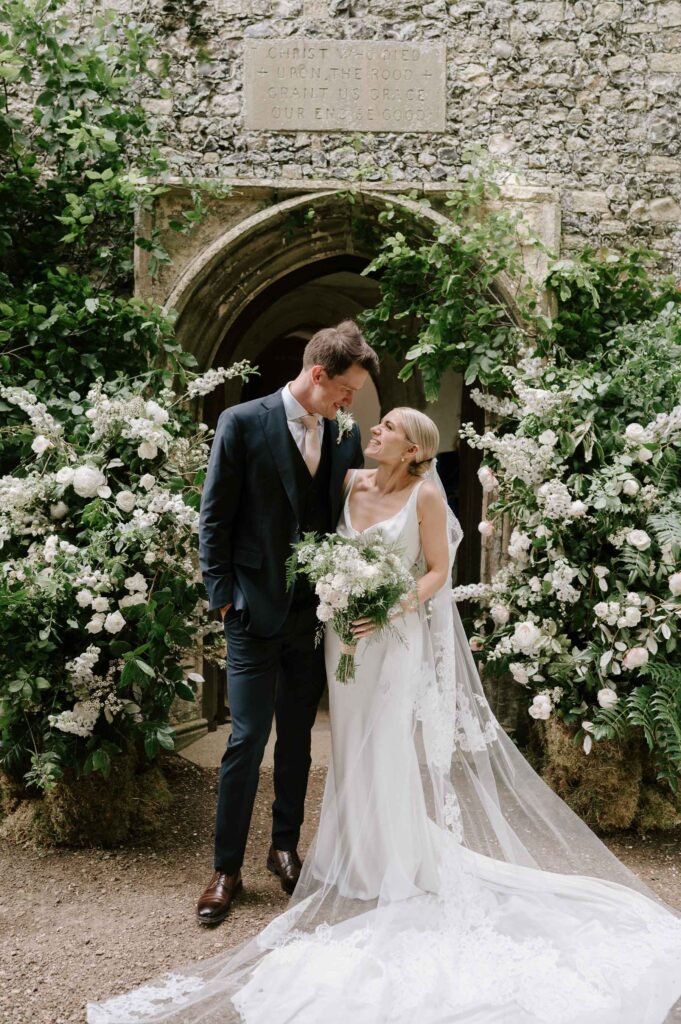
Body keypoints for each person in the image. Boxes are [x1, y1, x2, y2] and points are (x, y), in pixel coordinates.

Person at [88, 407, 681, 1024]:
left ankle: (392, 862)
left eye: (388, 425)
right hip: (344, 639)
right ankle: (351, 853)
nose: (373, 429)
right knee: (348, 745)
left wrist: (391, 605)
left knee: (387, 744)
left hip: (392, 641)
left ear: (412, 449)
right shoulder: (349, 483)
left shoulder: (425, 496)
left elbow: (438, 573)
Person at [194, 320, 378, 925]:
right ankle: (226, 868)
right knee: (246, 738)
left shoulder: (344, 434)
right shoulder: (242, 423)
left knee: (300, 737)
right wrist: (225, 599)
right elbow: (214, 519)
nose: (351, 403)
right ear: (319, 374)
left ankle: (284, 848)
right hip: (250, 609)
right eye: (346, 390)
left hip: (311, 613)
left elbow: (345, 516)